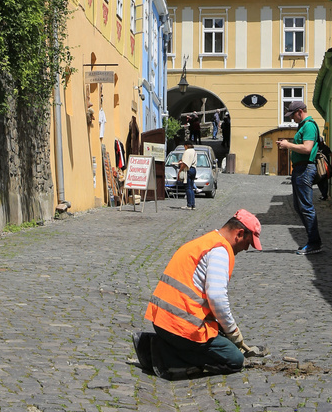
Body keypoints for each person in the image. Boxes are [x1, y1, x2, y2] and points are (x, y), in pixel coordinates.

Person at [133, 210, 265, 379]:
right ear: (239, 234)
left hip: (161, 320)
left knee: (219, 337)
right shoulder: (220, 251)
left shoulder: (205, 242)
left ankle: (162, 345)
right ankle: (165, 354)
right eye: (248, 242)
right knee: (234, 359)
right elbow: (217, 298)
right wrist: (232, 331)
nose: (246, 248)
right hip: (180, 326)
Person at [277, 100, 322, 255]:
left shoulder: (309, 125)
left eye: (292, 115)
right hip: (299, 169)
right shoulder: (303, 125)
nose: (291, 119)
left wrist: (288, 145)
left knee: (306, 207)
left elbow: (307, 148)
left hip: (305, 169)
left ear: (300, 112)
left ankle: (314, 242)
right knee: (299, 206)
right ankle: (313, 240)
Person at [179, 145, 197, 210]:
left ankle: (189, 205)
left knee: (188, 188)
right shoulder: (194, 151)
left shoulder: (187, 152)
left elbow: (185, 163)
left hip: (188, 169)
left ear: (186, 146)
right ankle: (193, 205)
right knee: (191, 188)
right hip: (194, 169)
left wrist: (180, 171)